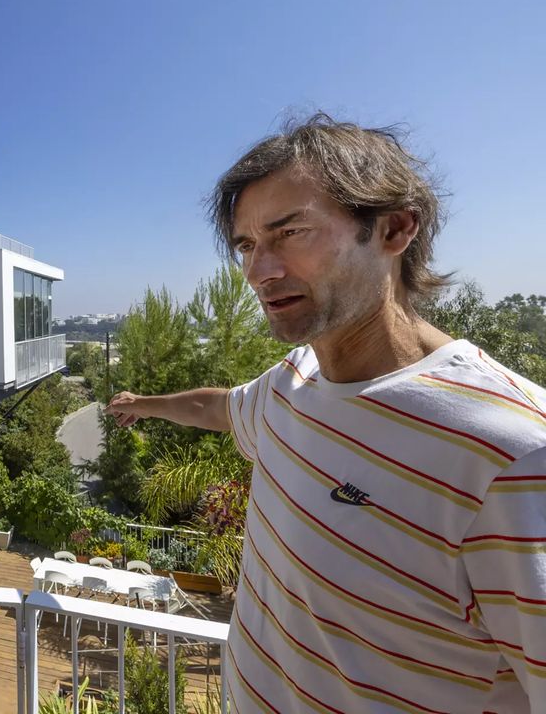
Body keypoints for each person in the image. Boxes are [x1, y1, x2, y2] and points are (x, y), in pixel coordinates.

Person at [106, 115, 546, 713]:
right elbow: (220, 408)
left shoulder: (512, 452)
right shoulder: (293, 382)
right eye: (247, 246)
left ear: (393, 229)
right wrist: (144, 406)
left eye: (291, 233)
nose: (260, 272)